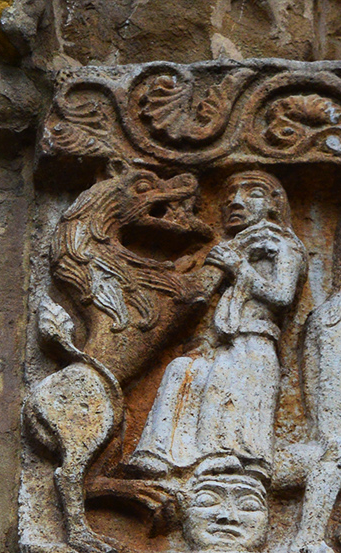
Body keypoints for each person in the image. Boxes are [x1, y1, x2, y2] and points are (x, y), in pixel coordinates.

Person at [128, 171, 303, 492]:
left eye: (252, 194)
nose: (236, 202)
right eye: (230, 197)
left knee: (226, 390)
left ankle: (228, 459)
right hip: (220, 341)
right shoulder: (231, 247)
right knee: (181, 370)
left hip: (253, 340)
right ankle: (162, 457)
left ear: (274, 205)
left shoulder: (281, 244)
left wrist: (239, 267)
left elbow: (281, 295)